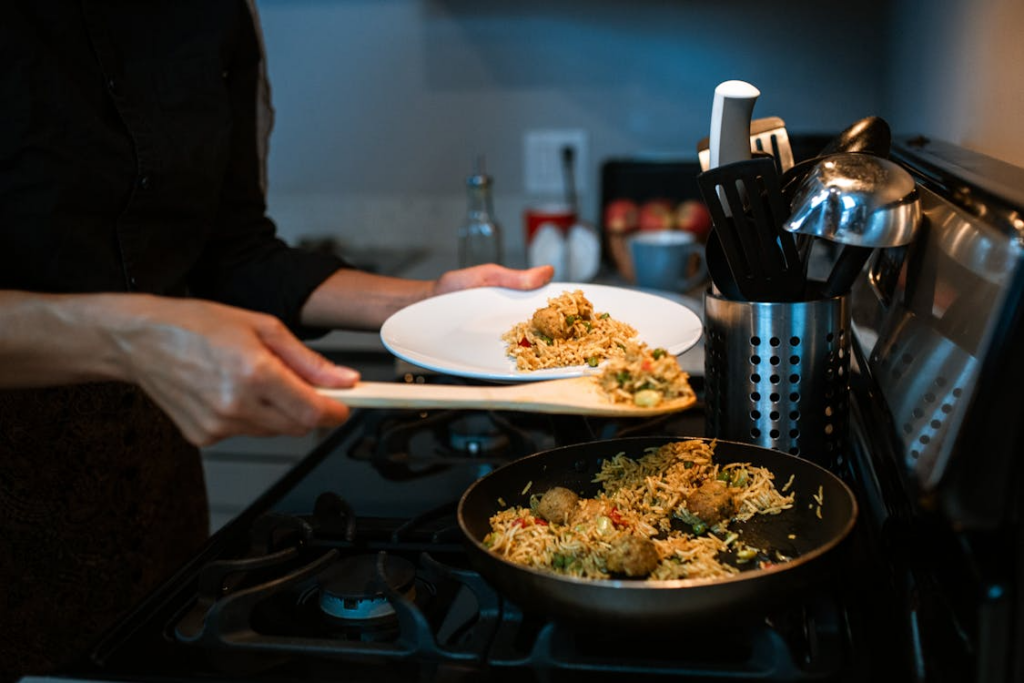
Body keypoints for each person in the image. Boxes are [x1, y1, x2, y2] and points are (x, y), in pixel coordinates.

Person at [0, 2, 553, 680]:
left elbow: (232, 257)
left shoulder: (210, 15)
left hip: (155, 481)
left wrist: (429, 303)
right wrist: (129, 339)